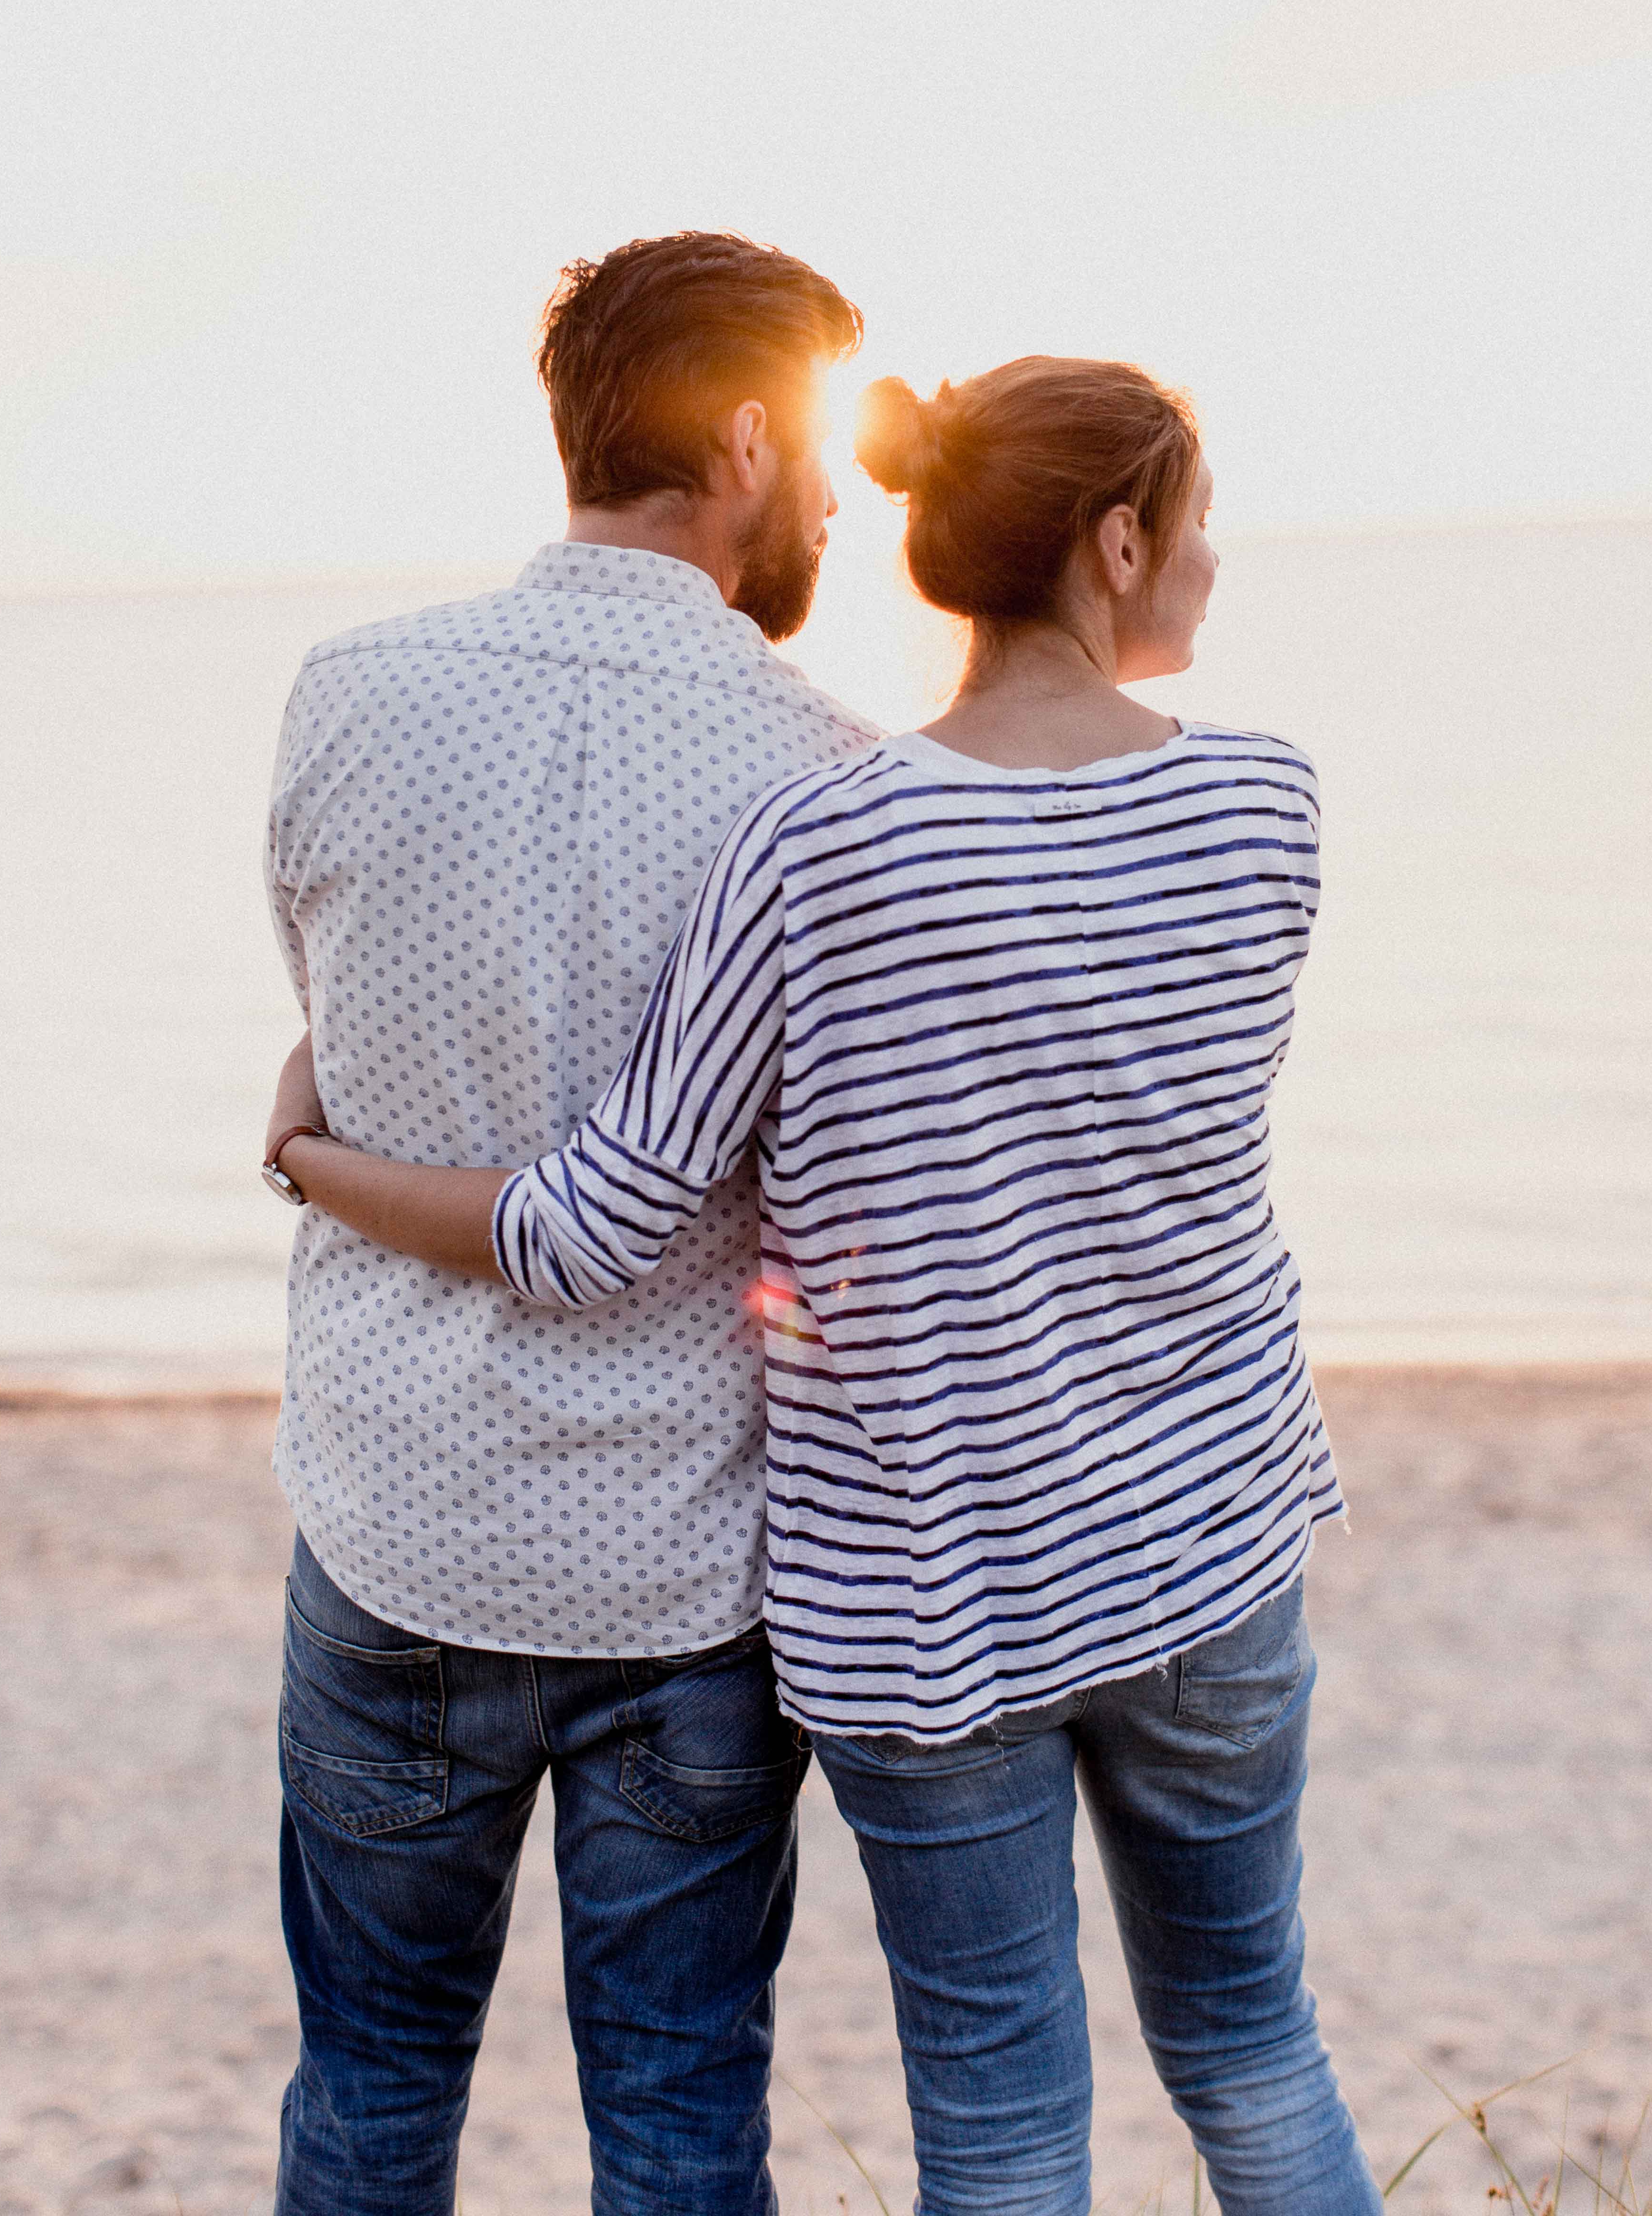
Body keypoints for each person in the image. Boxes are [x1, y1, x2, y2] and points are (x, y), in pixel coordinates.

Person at [270, 352, 1387, 2216]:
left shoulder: (826, 844)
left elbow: (597, 1226)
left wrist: (310, 1154)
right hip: (1209, 1557)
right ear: (1118, 540)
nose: (1211, 563)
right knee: (1256, 2044)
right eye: (1199, 526)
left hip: (932, 1599)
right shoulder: (1271, 807)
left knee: (1006, 2122)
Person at [260, 230, 880, 2216]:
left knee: (367, 2093)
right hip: (686, 1583)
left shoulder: (343, 696)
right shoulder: (829, 778)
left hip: (398, 1529)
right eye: (833, 457)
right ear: (756, 441)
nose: (847, 503)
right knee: (685, 2133)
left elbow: (332, 1031)